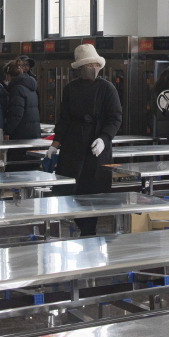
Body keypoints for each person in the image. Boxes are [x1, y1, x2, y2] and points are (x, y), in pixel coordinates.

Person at [50, 44, 122, 236]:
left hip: (96, 147)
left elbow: (115, 118)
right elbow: (64, 119)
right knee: (72, 188)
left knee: (93, 188)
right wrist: (54, 145)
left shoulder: (107, 88)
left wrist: (104, 139)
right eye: (89, 65)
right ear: (81, 68)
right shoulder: (70, 89)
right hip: (73, 145)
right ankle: (79, 225)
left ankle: (89, 230)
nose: (93, 68)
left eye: (95, 65)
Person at [4, 59, 40, 140]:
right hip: (33, 131)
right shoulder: (30, 86)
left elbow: (16, 114)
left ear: (9, 75)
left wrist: (7, 131)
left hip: (21, 133)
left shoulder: (17, 89)